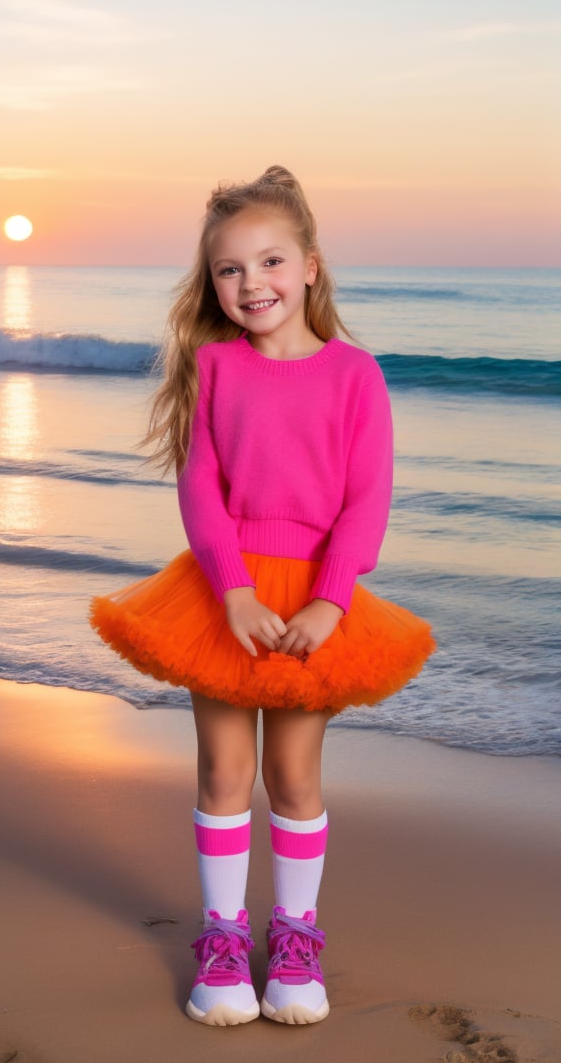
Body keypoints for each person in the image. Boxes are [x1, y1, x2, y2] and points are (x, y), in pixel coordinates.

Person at [90, 165, 436, 1028]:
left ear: (311, 266)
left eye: (271, 262)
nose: (252, 285)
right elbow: (200, 490)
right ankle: (220, 938)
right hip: (226, 596)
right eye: (230, 270)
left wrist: (330, 602)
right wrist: (235, 591)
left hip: (317, 604)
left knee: (292, 772)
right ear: (211, 283)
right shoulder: (214, 369)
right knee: (223, 770)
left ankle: (295, 938)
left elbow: (367, 500)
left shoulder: (357, 376)